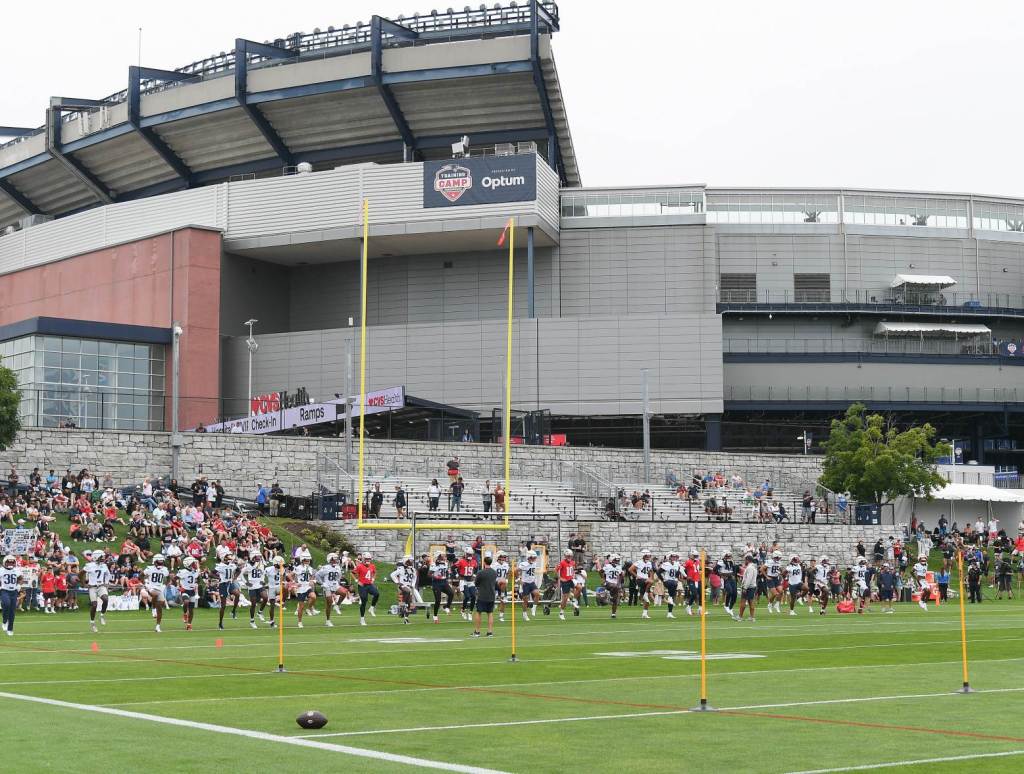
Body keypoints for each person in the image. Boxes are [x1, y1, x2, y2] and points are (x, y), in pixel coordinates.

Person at [84, 550, 112, 633]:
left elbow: (108, 574)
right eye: (101, 556)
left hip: (101, 586)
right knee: (94, 605)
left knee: (106, 599)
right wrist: (84, 583)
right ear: (96, 557)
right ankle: (92, 622)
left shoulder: (104, 566)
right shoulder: (90, 565)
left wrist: (106, 583)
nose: (103, 558)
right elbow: (81, 573)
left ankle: (102, 615)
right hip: (92, 587)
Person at [472, 555, 498, 637]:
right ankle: (490, 632)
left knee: (478, 612)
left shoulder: (481, 572)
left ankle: (477, 631)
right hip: (491, 595)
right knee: (490, 613)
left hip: (482, 595)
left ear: (484, 562)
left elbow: (476, 583)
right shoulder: (494, 572)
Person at [143, 554, 169, 633]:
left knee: (160, 607)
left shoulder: (164, 569)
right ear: (154, 562)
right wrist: (145, 584)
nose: (161, 564)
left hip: (159, 588)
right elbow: (141, 575)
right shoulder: (149, 568)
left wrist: (165, 584)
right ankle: (153, 608)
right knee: (155, 593)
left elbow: (167, 577)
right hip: (151, 587)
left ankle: (157, 626)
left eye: (161, 562)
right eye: (159, 562)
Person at [242, 554, 269, 629]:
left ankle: (260, 612)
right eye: (257, 557)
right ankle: (252, 620)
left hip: (259, 585)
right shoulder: (248, 565)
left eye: (259, 557)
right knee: (253, 604)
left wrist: (262, 580)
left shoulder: (261, 564)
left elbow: (263, 573)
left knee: (265, 598)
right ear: (253, 557)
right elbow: (241, 573)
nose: (259, 558)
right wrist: (245, 582)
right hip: (252, 586)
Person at [215, 553, 241, 630]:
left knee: (237, 594)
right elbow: (211, 573)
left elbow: (238, 570)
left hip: (230, 583)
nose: (229, 557)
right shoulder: (220, 566)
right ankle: (220, 622)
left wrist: (234, 578)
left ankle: (233, 611)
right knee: (223, 605)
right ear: (224, 558)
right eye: (227, 556)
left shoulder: (232, 565)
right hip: (223, 585)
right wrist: (218, 578)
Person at [354, 552, 379, 626]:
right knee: (364, 601)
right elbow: (352, 573)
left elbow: (375, 572)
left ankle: (371, 608)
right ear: (363, 559)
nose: (368, 560)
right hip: (362, 586)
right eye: (366, 559)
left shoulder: (372, 566)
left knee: (376, 594)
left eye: (369, 559)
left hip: (369, 584)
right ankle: (362, 619)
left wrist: (373, 579)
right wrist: (357, 581)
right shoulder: (359, 566)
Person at [390, 555, 417, 624]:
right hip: (402, 585)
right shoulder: (401, 569)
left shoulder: (412, 569)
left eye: (411, 561)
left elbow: (414, 577)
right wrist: (397, 582)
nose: (411, 563)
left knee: (409, 603)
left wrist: (413, 585)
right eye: (409, 561)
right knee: (407, 593)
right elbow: (392, 575)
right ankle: (402, 607)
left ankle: (406, 618)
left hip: (409, 586)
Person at [1, 555, 23, 636]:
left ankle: (10, 629)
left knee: (12, 612)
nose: (10, 563)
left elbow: (21, 578)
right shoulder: (1, 570)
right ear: (5, 562)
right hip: (4, 590)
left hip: (14, 591)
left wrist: (19, 586)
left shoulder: (16, 570)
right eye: (9, 562)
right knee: (6, 604)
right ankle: (4, 621)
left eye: (12, 562)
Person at [429, 552, 454, 623]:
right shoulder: (433, 564)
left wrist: (446, 577)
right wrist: (435, 576)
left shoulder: (445, 563)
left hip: (444, 582)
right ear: (438, 557)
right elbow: (429, 574)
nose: (443, 557)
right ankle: (435, 616)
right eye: (441, 556)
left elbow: (445, 572)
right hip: (436, 583)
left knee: (451, 593)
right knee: (438, 600)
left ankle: (446, 606)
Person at [630, 549, 655, 619]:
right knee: (651, 582)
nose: (648, 557)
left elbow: (651, 571)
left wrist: (650, 577)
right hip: (640, 580)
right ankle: (645, 594)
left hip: (646, 581)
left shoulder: (649, 563)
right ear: (643, 556)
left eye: (648, 556)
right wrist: (636, 576)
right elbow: (630, 569)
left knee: (647, 601)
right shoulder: (638, 562)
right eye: (646, 556)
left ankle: (644, 614)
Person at [293, 556, 317, 628]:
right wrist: (295, 582)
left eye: (308, 561)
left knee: (313, 596)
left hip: (307, 587)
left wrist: (312, 581)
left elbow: (312, 576)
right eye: (306, 561)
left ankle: (309, 608)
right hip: (301, 589)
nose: (307, 562)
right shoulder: (298, 568)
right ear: (302, 561)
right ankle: (299, 622)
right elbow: (290, 575)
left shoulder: (310, 568)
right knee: (301, 607)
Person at [518, 550, 542, 621]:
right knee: (525, 600)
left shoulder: (534, 564)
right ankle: (524, 614)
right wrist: (519, 580)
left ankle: (533, 608)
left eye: (534, 558)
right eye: (532, 557)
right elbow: (516, 571)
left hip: (532, 582)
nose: (534, 559)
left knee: (537, 594)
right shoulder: (523, 564)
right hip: (525, 584)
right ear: (529, 557)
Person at [556, 549, 580, 620]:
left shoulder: (573, 562)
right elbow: (556, 570)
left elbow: (572, 570)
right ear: (565, 556)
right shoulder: (562, 562)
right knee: (565, 598)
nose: (569, 557)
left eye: (570, 556)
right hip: (565, 581)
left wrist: (574, 575)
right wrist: (560, 578)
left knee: (579, 587)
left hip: (571, 579)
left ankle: (574, 600)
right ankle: (561, 613)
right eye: (568, 556)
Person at [455, 547, 478, 621]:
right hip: (463, 580)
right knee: (467, 596)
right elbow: (453, 568)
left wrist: (474, 575)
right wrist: (456, 575)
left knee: (474, 596)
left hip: (470, 581)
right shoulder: (461, 561)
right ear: (465, 554)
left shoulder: (474, 561)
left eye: (471, 554)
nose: (470, 555)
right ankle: (463, 610)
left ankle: (470, 612)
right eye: (468, 554)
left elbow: (476, 568)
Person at [178, 556, 200, 631]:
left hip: (192, 591)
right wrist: (179, 586)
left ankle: (189, 624)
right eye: (193, 563)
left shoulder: (195, 571)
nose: (194, 564)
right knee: (186, 602)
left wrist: (195, 584)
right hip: (184, 590)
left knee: (191, 609)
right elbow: (175, 578)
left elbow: (197, 579)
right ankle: (184, 614)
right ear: (188, 564)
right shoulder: (182, 571)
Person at [600, 554, 624, 619]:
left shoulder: (619, 567)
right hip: (608, 583)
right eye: (616, 560)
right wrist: (603, 579)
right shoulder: (607, 566)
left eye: (618, 560)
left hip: (615, 585)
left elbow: (620, 576)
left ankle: (613, 614)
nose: (617, 562)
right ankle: (609, 595)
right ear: (612, 560)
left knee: (615, 600)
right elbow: (600, 571)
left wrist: (619, 584)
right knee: (614, 586)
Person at [659, 551, 681, 619]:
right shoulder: (666, 564)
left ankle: (669, 613)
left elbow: (678, 572)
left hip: (673, 581)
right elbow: (658, 572)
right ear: (669, 557)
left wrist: (677, 578)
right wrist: (663, 579)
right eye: (672, 556)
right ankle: (670, 598)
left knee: (673, 593)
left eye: (675, 556)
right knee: (673, 585)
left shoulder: (677, 564)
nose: (674, 558)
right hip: (667, 581)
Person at [717, 551, 738, 619]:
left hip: (731, 578)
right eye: (727, 556)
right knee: (730, 591)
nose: (729, 558)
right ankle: (726, 605)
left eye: (729, 556)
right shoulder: (721, 562)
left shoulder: (732, 562)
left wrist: (734, 575)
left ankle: (730, 607)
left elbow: (734, 570)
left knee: (735, 594)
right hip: (725, 578)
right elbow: (715, 570)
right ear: (724, 557)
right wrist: (721, 575)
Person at [737, 554, 758, 622]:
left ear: (747, 560)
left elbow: (749, 578)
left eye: (745, 560)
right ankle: (751, 617)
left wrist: (745, 587)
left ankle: (740, 617)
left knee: (744, 601)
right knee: (750, 601)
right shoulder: (753, 567)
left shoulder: (750, 568)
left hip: (749, 587)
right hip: (752, 586)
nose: (744, 561)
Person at [265, 556, 285, 628]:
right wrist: (265, 584)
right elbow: (262, 575)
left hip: (277, 586)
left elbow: (281, 579)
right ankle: (272, 621)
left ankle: (282, 601)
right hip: (271, 587)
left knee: (284, 587)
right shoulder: (268, 569)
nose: (280, 565)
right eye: (279, 564)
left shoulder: (282, 569)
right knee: (272, 606)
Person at [494, 550, 511, 622]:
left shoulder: (506, 565)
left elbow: (507, 573)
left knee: (503, 601)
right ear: (498, 557)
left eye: (504, 557)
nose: (504, 558)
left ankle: (501, 616)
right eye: (502, 557)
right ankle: (499, 596)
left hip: (503, 585)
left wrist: (506, 579)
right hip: (495, 583)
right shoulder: (494, 565)